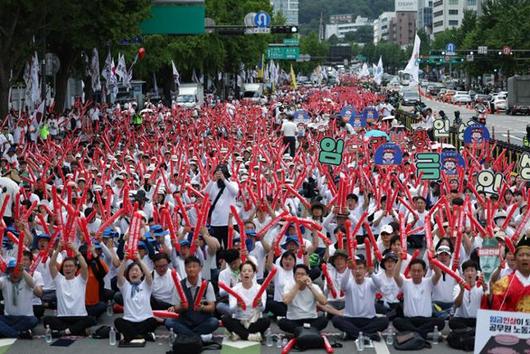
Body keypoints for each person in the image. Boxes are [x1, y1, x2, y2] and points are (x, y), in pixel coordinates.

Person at [43, 242, 96, 337]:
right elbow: (51, 265)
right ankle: (75, 330)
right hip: (63, 317)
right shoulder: (59, 280)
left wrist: (75, 250)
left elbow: (84, 266)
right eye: (66, 266)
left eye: (71, 266)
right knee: (47, 320)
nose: (68, 268)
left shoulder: (81, 279)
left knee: (91, 320)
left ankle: (65, 332)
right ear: (63, 269)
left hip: (80, 316)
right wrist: (58, 249)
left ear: (76, 268)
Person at [331, 257, 389, 341]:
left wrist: (372, 273)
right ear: (352, 271)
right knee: (336, 320)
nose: (357, 271)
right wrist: (348, 269)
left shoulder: (370, 282)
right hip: (351, 319)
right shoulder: (349, 282)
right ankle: (367, 335)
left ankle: (353, 334)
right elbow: (343, 285)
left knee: (384, 321)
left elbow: (379, 284)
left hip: (369, 319)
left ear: (365, 270)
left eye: (360, 268)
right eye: (355, 269)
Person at [165, 256, 219, 343]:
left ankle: (186, 336)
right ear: (185, 269)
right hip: (185, 321)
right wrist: (182, 307)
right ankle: (197, 337)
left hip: (202, 320)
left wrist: (202, 307)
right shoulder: (179, 285)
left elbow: (212, 307)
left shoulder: (207, 284)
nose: (191, 269)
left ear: (200, 268)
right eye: (189, 267)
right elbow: (175, 308)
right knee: (169, 322)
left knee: (214, 322)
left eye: (194, 266)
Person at [392, 258, 445, 339]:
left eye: (419, 271)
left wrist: (433, 262)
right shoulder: (405, 283)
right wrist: (400, 259)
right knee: (397, 321)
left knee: (441, 322)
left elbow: (438, 274)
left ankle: (413, 333)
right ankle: (422, 333)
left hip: (426, 320)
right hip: (410, 320)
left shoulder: (428, 282)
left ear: (424, 272)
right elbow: (395, 275)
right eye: (414, 270)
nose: (416, 273)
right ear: (410, 272)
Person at [114, 249, 158, 343]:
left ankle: (129, 336)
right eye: (131, 271)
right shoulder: (125, 286)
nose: (134, 272)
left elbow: (149, 276)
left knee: (153, 321)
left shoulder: (146, 285)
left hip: (144, 320)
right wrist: (125, 260)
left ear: (141, 274)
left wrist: (139, 260)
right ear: (128, 274)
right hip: (129, 321)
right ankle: (143, 336)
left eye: (137, 270)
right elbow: (120, 277)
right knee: (118, 321)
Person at [221, 261, 271, 341]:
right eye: (244, 271)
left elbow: (263, 309)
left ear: (254, 274)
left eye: (249, 271)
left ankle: (239, 334)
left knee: (266, 320)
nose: (246, 273)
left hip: (254, 321)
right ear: (240, 274)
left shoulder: (259, 288)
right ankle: (250, 336)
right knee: (225, 319)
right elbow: (232, 310)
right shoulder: (235, 289)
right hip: (240, 320)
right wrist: (237, 305)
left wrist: (260, 304)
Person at [279, 264, 328, 334]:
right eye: (298, 274)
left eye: (303, 274)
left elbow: (324, 302)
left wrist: (310, 286)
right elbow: (286, 301)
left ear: (307, 276)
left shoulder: (314, 286)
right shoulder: (288, 286)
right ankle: (309, 330)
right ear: (294, 276)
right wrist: (298, 285)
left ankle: (300, 331)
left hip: (311, 318)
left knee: (324, 320)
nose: (300, 276)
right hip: (294, 320)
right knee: (282, 322)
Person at [486, 235, 530, 312]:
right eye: (509, 254)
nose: (524, 258)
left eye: (528, 255)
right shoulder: (502, 276)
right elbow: (492, 283)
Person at [0, 258, 38, 339]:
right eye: (12, 270)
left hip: (26, 318)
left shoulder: (27, 280)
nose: (15, 273)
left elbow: (34, 286)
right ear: (8, 272)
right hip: (9, 318)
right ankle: (19, 333)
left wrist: (22, 270)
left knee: (33, 320)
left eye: (17, 270)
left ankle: (5, 332)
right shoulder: (4, 280)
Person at [205, 164, 239, 249]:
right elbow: (206, 194)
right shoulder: (213, 185)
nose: (219, 175)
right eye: (217, 173)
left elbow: (235, 192)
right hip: (216, 222)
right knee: (217, 248)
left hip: (229, 222)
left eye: (221, 173)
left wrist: (224, 179)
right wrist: (212, 180)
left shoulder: (233, 183)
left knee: (229, 247)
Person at [449, 260, 484, 329]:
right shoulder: (458, 287)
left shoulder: (482, 286)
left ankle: (467, 332)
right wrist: (462, 290)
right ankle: (469, 332)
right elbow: (457, 304)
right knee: (452, 322)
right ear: (463, 274)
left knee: (482, 324)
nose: (470, 273)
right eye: (467, 271)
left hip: (476, 319)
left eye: (472, 270)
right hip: (461, 319)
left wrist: (486, 289)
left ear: (477, 273)